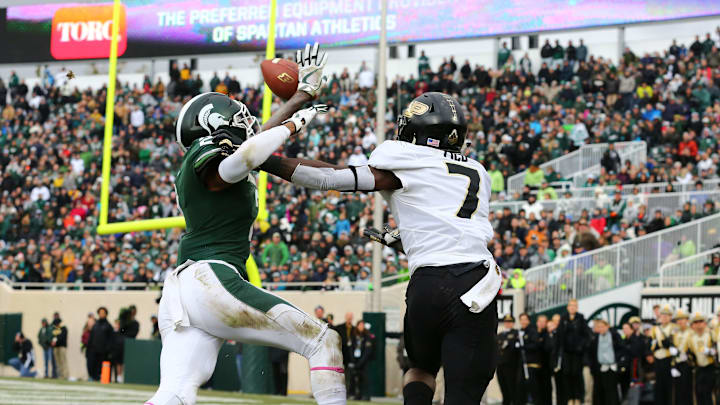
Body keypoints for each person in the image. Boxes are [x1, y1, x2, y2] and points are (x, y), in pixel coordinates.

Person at [261, 91, 502, 404]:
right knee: (464, 393)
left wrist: (265, 161)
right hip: (474, 283)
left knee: (420, 368)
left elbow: (330, 178)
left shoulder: (407, 160)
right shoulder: (479, 173)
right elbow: (454, 235)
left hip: (426, 285)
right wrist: (403, 241)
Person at [146, 43, 347, 405]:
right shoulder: (208, 155)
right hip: (212, 280)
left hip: (187, 289)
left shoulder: (219, 155)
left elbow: (257, 150)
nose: (248, 121)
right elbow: (239, 159)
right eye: (239, 117)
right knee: (323, 340)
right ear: (213, 124)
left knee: (174, 394)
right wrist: (295, 115)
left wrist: (302, 100)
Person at [556, 299, 591, 405]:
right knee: (567, 375)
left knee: (577, 375)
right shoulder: (563, 319)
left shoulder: (581, 318)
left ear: (577, 307)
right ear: (567, 307)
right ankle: (570, 398)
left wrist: (581, 346)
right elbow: (559, 336)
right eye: (571, 306)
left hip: (577, 353)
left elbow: (586, 335)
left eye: (574, 306)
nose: (572, 307)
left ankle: (578, 397)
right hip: (566, 353)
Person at [589, 319, 622, 405]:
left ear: (607, 326)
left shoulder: (614, 335)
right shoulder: (595, 338)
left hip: (612, 366)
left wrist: (618, 361)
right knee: (601, 390)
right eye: (599, 327)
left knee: (612, 389)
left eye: (602, 326)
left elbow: (621, 349)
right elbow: (592, 353)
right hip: (600, 367)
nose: (601, 329)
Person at [649, 304, 677, 405]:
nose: (664, 317)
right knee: (659, 386)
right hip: (658, 359)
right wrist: (659, 344)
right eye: (662, 315)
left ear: (670, 317)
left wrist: (659, 343)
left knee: (668, 385)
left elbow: (672, 342)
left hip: (668, 359)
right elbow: (651, 343)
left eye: (667, 315)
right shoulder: (655, 328)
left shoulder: (674, 327)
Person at [687, 311, 715, 405]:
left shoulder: (711, 335)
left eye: (700, 322)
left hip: (711, 367)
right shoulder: (691, 338)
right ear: (692, 325)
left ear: (705, 323)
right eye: (695, 322)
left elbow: (717, 350)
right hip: (699, 368)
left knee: (709, 393)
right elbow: (690, 354)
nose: (698, 325)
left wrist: (712, 351)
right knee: (699, 392)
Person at [518, 313, 543, 405]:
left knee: (533, 387)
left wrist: (524, 346)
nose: (523, 321)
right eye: (521, 319)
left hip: (531, 364)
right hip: (523, 364)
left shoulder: (533, 331)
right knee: (522, 387)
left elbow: (536, 345)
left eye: (525, 319)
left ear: (528, 320)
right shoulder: (520, 332)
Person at [347, 320, 374, 401]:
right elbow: (350, 349)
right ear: (357, 326)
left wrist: (360, 362)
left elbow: (367, 351)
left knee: (365, 379)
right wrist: (353, 361)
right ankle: (357, 395)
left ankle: (366, 395)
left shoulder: (367, 336)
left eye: (362, 325)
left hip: (364, 362)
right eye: (360, 325)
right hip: (355, 360)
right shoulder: (353, 336)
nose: (361, 327)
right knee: (355, 379)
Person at [496, 314, 519, 405]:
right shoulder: (500, 335)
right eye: (506, 322)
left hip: (511, 365)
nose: (508, 324)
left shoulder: (516, 333)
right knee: (503, 386)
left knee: (511, 387)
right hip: (500, 364)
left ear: (513, 323)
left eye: (510, 322)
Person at [672, 309, 692, 405]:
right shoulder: (675, 333)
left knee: (688, 391)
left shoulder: (691, 331)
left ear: (687, 320)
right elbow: (672, 348)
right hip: (677, 365)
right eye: (678, 319)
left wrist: (688, 356)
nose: (680, 321)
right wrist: (673, 365)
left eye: (682, 319)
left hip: (688, 365)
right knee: (677, 391)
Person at [88, 306, 113, 381]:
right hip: (93, 349)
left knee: (101, 366)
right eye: (100, 313)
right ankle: (93, 377)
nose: (101, 314)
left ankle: (100, 378)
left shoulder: (108, 326)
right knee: (92, 364)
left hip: (103, 351)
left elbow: (110, 339)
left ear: (106, 314)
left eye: (103, 313)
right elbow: (91, 337)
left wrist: (108, 349)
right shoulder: (95, 325)